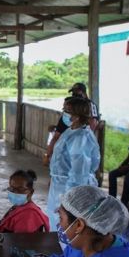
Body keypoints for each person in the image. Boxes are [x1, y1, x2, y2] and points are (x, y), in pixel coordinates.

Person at [46, 97, 100, 229]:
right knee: (55, 221)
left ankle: (66, 249)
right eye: (64, 109)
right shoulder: (71, 131)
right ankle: (59, 247)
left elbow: (79, 174)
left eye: (67, 110)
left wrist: (69, 200)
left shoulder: (81, 138)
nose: (64, 113)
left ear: (76, 116)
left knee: (65, 223)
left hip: (68, 188)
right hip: (59, 184)